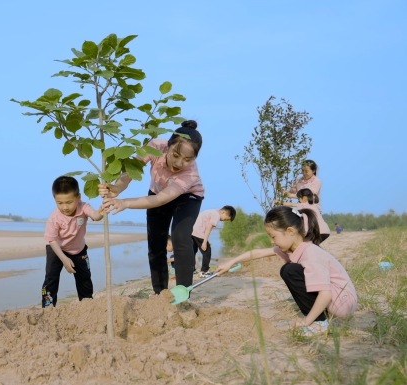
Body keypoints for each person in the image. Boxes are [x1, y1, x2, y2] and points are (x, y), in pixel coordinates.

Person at [215, 206, 357, 336]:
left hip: (341, 302)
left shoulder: (311, 254)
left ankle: (319, 323)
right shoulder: (293, 248)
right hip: (336, 300)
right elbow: (258, 253)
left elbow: (325, 294)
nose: (272, 241)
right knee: (289, 270)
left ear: (290, 231)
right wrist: (230, 262)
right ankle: (317, 318)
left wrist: (306, 321)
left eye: (273, 236)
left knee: (290, 270)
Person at [99, 119, 204, 294]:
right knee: (156, 243)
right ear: (168, 146)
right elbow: (132, 171)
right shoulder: (154, 146)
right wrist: (117, 188)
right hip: (157, 191)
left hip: (188, 198)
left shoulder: (190, 174)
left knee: (180, 236)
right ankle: (160, 292)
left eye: (187, 159)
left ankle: (183, 292)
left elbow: (161, 200)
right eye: (175, 155)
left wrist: (126, 203)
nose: (179, 163)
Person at [42, 176, 104, 307]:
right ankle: (47, 308)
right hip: (57, 249)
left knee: (85, 279)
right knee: (50, 279)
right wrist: (64, 259)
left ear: (78, 197)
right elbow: (51, 240)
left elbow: (96, 216)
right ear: (55, 199)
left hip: (79, 249)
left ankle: (87, 305)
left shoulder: (84, 207)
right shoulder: (54, 218)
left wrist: (103, 209)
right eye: (60, 203)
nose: (65, 207)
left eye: (69, 202)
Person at [192, 205, 236, 277]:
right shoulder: (216, 215)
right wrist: (205, 242)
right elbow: (208, 228)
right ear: (223, 212)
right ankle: (204, 271)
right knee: (207, 251)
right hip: (199, 232)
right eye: (225, 219)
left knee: (193, 251)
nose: (224, 221)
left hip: (193, 232)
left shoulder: (213, 211)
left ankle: (191, 269)